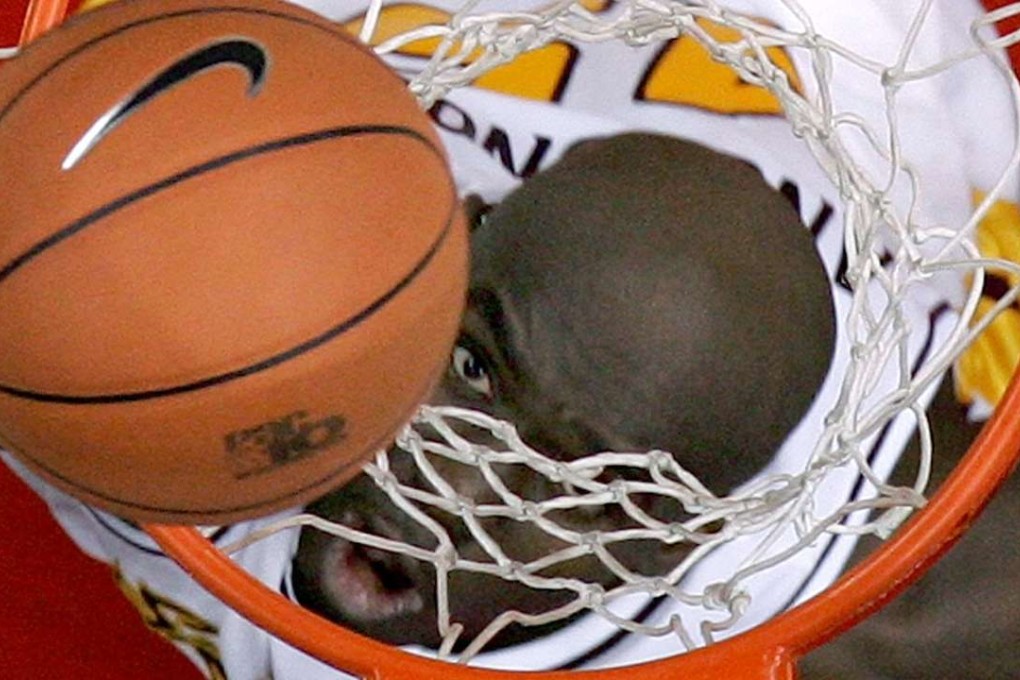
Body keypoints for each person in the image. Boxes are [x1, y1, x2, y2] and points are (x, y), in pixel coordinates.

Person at [3, 0, 1018, 677]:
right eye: (474, 366)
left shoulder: (835, 595)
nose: (460, 492)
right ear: (452, 253)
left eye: (585, 483)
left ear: (687, 538)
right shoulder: (160, 292)